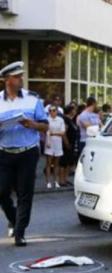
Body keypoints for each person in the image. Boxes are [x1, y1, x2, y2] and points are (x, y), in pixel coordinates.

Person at [0, 61, 49, 246]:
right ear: (7, 80)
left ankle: (20, 232)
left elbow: (45, 126)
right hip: (4, 152)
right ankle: (13, 219)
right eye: (17, 76)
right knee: (2, 192)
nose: (21, 79)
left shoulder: (33, 99)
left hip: (28, 152)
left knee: (24, 193)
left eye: (21, 76)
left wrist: (33, 125)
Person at [44, 106, 65, 189]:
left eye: (54, 110)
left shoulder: (60, 120)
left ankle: (56, 181)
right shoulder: (46, 120)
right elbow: (46, 131)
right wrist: (52, 135)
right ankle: (48, 182)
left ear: (57, 111)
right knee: (49, 163)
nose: (52, 112)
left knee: (56, 163)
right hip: (49, 143)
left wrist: (54, 133)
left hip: (58, 143)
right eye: (50, 110)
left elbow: (63, 132)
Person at [59, 104, 79, 186]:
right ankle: (61, 180)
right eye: (74, 110)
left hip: (72, 143)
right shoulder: (66, 120)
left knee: (69, 162)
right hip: (66, 144)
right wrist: (66, 142)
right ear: (70, 111)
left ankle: (65, 179)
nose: (75, 111)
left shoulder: (71, 120)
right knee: (63, 162)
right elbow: (64, 132)